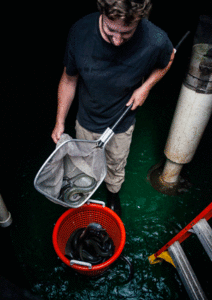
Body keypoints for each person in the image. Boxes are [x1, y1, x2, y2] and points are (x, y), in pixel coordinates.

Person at [51, 0, 175, 216]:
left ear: (140, 20)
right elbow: (69, 80)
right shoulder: (80, 32)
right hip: (87, 119)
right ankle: (85, 193)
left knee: (116, 164)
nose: (117, 41)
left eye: (126, 33)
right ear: (102, 12)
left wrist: (145, 87)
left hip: (122, 122)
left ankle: (113, 193)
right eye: (110, 31)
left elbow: (168, 59)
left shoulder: (156, 39)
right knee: (84, 164)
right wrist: (60, 121)